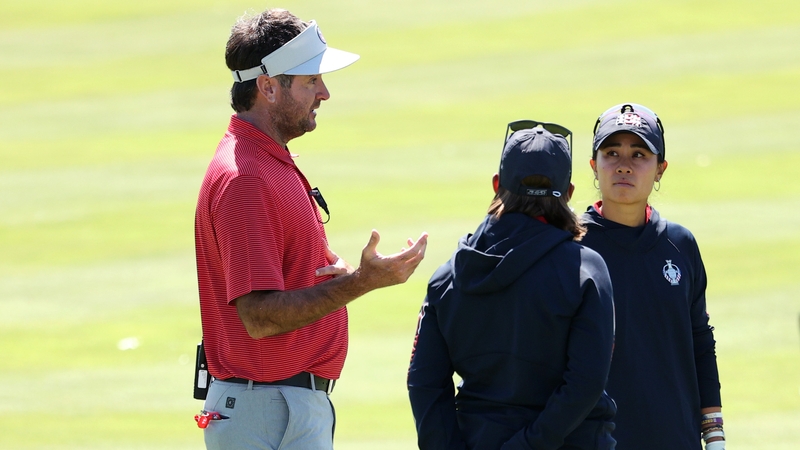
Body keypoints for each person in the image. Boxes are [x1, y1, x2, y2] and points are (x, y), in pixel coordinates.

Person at [194, 8, 428, 450]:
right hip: (265, 410)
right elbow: (259, 317)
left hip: (277, 407)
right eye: (310, 81)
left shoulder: (268, 161)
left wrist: (327, 271)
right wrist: (361, 282)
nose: (324, 93)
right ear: (267, 86)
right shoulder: (246, 178)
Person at [408, 120, 617, 450]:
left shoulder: (447, 276)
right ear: (569, 193)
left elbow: (425, 384)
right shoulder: (586, 270)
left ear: (496, 185)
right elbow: (586, 382)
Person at [582, 103, 725, 450]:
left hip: (675, 437)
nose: (624, 165)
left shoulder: (680, 245)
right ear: (594, 166)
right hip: (595, 440)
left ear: (660, 169)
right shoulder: (570, 245)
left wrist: (715, 434)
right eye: (612, 153)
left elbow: (700, 343)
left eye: (639, 154)